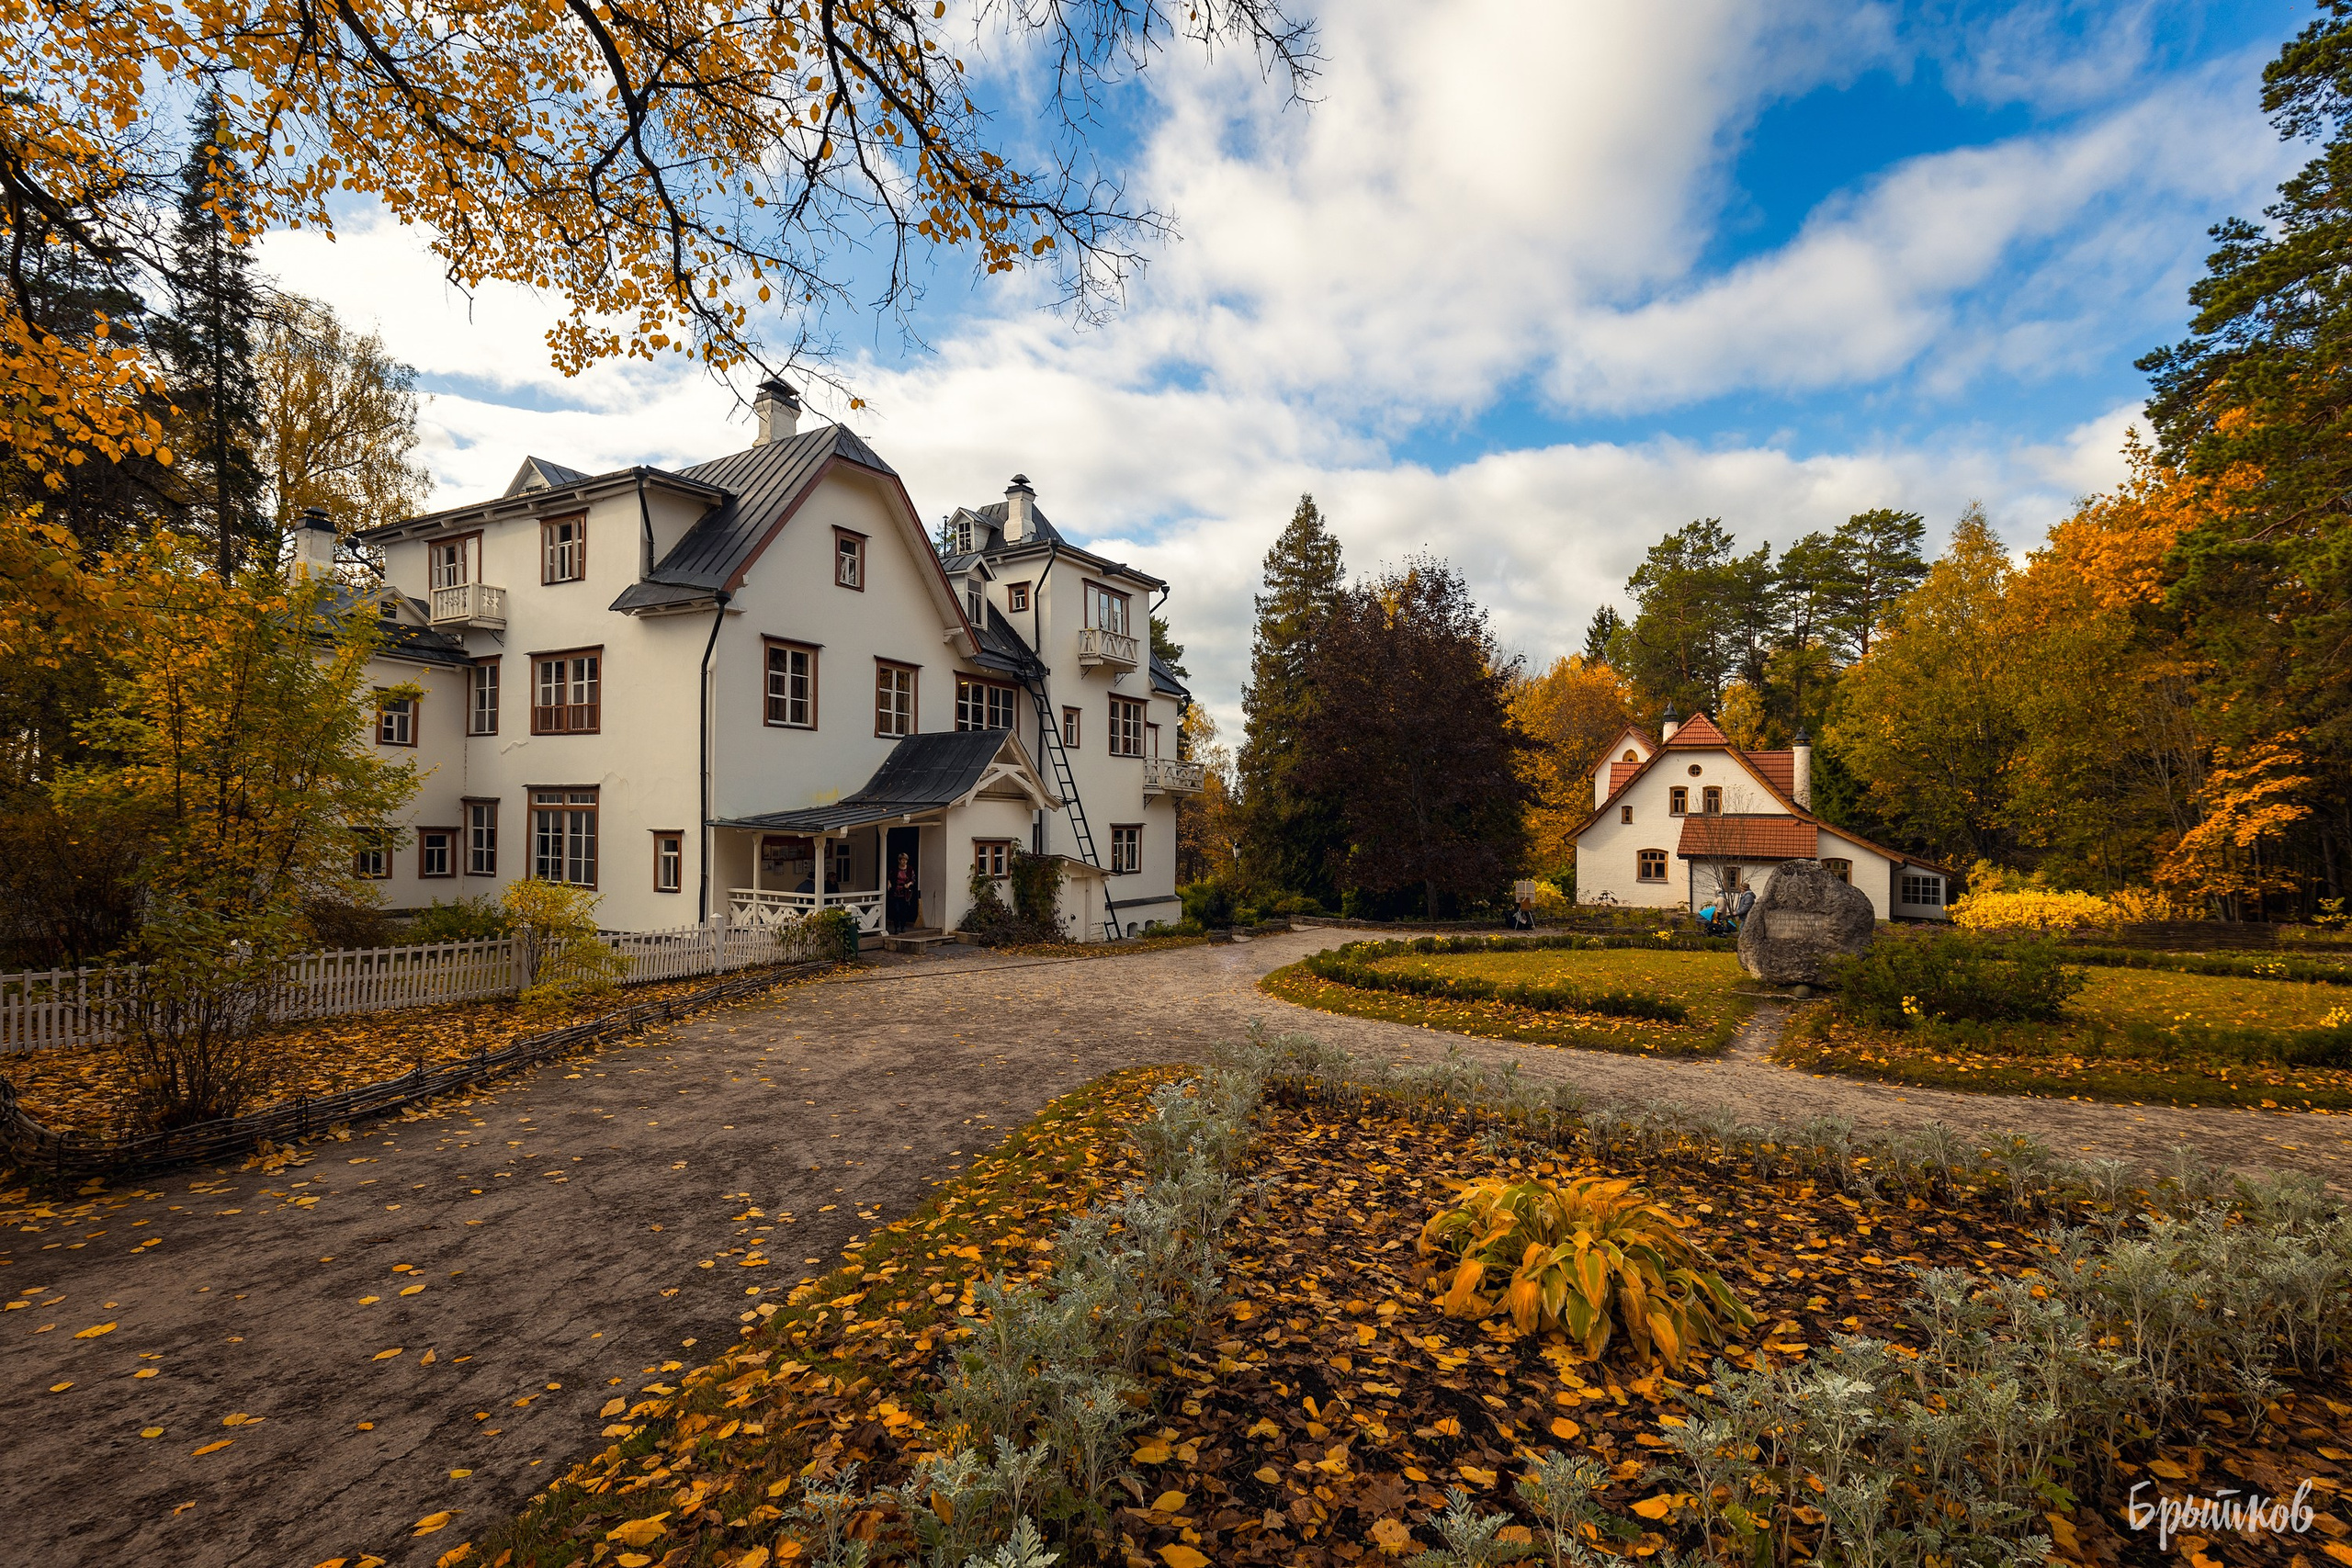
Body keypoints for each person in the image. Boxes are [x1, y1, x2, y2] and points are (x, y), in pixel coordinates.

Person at [886, 852, 919, 932]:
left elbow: (913, 879)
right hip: (896, 891)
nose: (904, 862)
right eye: (903, 860)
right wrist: (889, 882)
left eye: (906, 860)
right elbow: (889, 876)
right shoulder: (895, 869)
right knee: (896, 910)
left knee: (904, 910)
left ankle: (903, 926)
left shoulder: (910, 869)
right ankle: (896, 927)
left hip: (905, 892)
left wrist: (909, 884)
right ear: (899, 860)